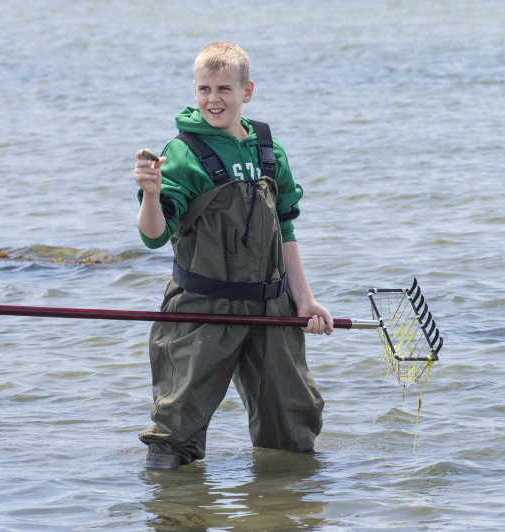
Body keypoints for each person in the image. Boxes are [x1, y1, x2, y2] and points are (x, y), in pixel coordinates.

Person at [134, 41, 333, 470]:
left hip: (271, 308)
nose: (213, 99)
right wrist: (150, 195)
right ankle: (173, 510)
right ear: (194, 89)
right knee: (174, 433)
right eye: (204, 88)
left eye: (224, 88)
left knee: (293, 431)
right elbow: (154, 236)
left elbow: (286, 228)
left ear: (247, 91)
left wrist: (305, 299)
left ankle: (280, 507)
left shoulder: (269, 149)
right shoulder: (182, 154)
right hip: (202, 309)